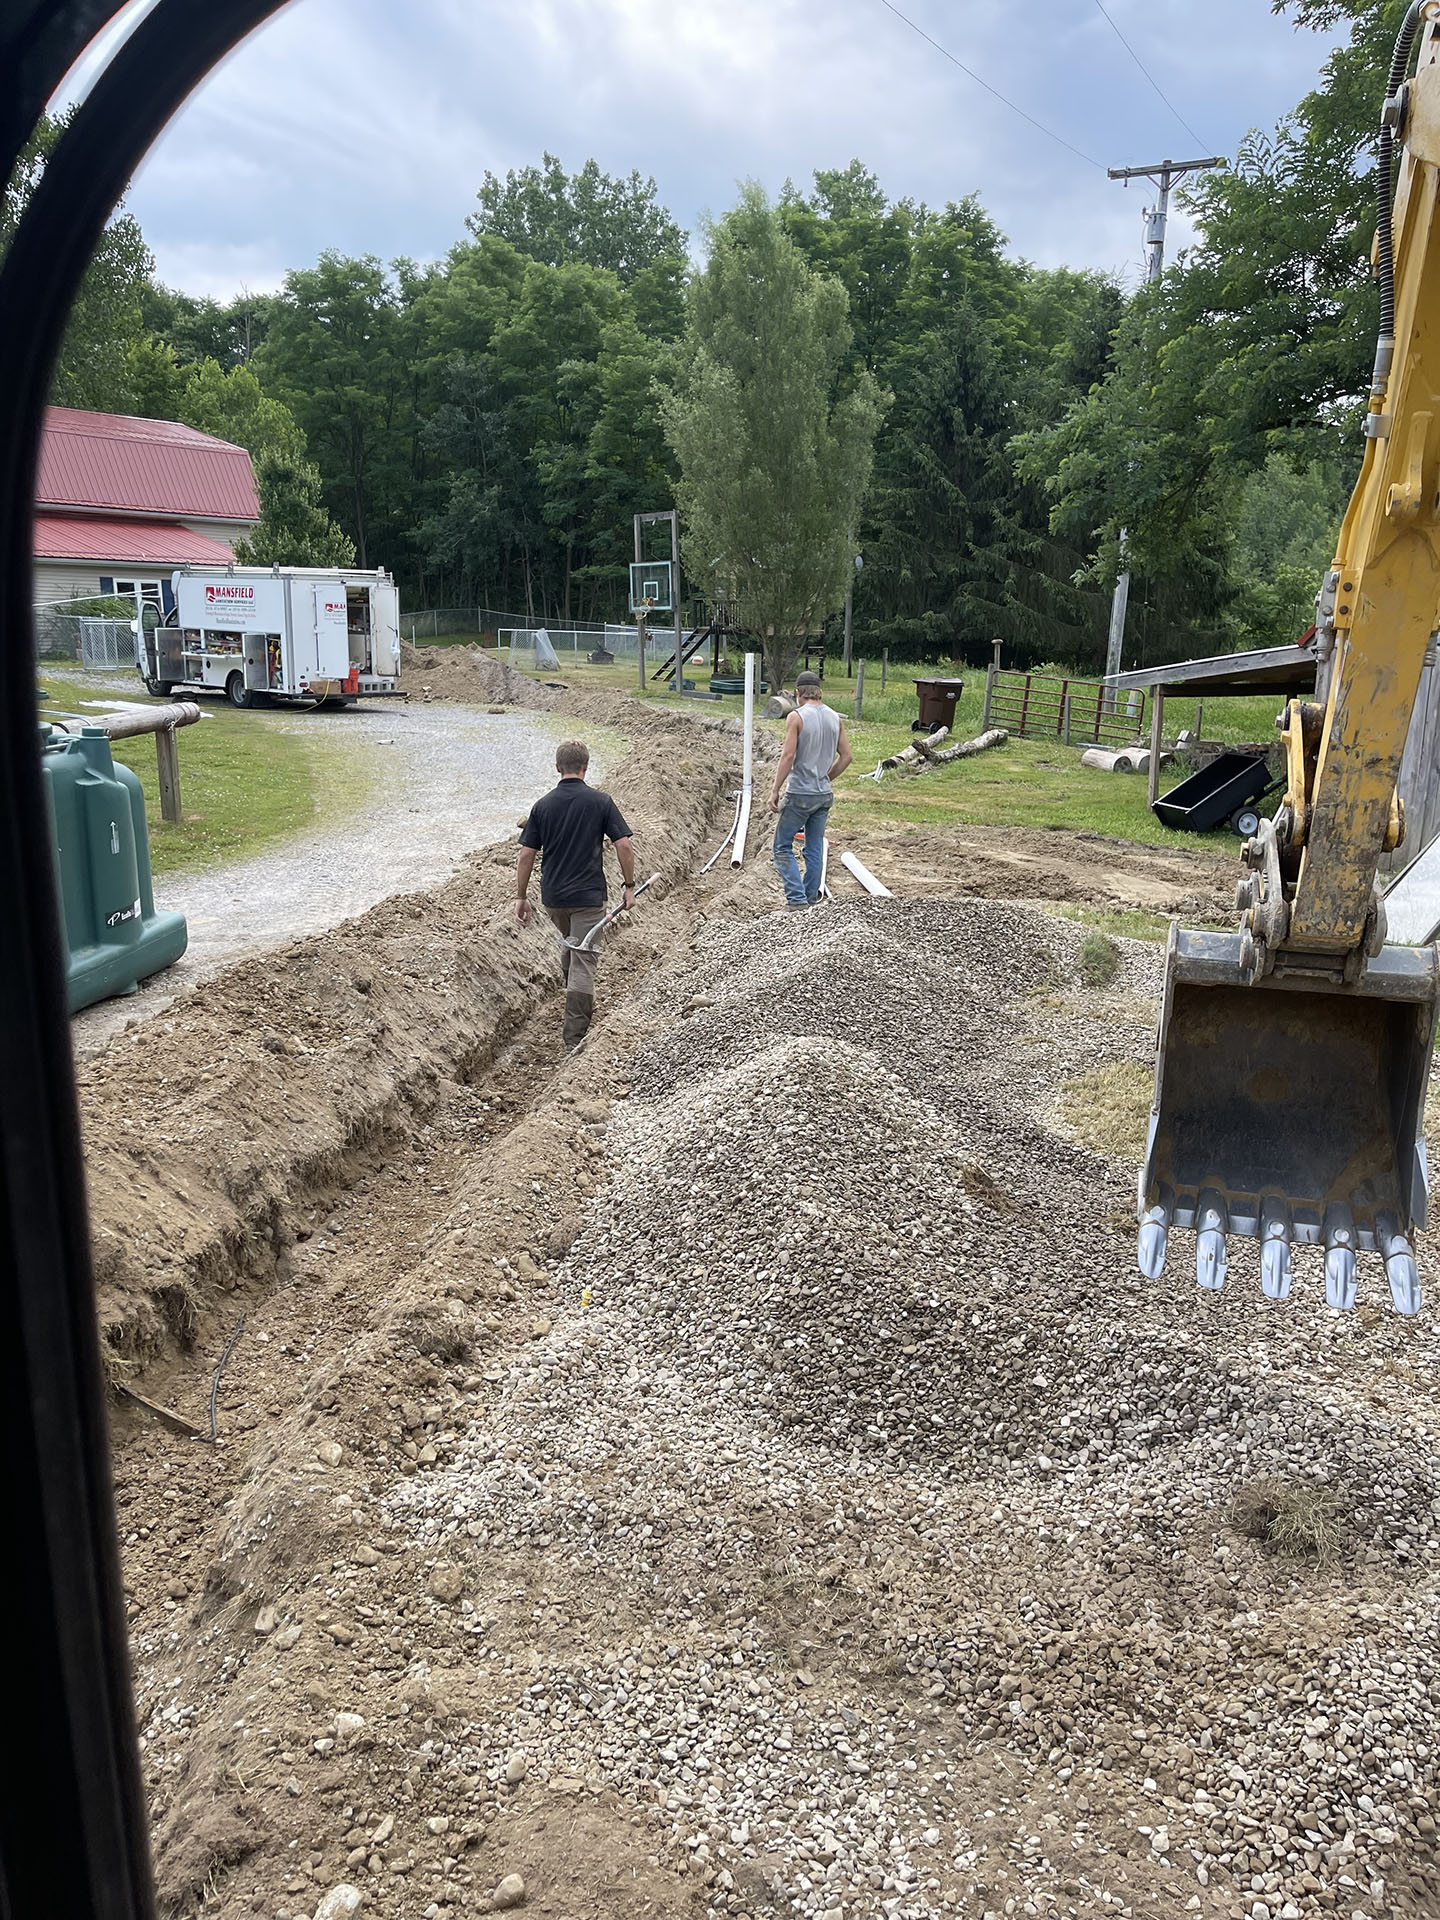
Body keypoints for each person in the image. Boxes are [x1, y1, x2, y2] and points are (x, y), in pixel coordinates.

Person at [515, 740, 636, 1051]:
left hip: (553, 898)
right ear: (586, 766)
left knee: (572, 946)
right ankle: (574, 1039)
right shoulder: (601, 802)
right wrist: (629, 885)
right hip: (588, 896)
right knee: (583, 960)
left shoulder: (542, 806)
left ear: (558, 768)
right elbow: (623, 844)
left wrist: (521, 896)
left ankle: (572, 995)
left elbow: (527, 854)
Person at [768, 670, 852, 911]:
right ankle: (810, 899)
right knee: (814, 846)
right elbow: (846, 757)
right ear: (819, 692)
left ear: (797, 693)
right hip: (823, 795)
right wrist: (827, 778)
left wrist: (775, 789)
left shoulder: (796, 717)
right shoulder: (835, 718)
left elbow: (788, 755)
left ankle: (796, 900)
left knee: (782, 846)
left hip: (800, 793)